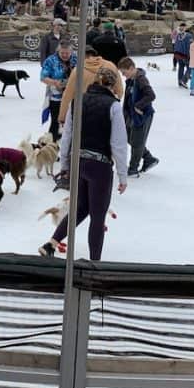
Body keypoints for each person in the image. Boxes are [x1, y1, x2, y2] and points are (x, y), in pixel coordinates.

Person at [38, 68, 128, 261]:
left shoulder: (77, 101)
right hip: (100, 166)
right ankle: (95, 263)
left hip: (78, 162)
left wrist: (65, 164)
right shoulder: (113, 106)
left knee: (80, 208)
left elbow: (67, 135)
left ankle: (51, 244)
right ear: (112, 85)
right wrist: (123, 175)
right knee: (98, 216)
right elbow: (118, 144)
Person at [59, 44, 124, 124]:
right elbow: (119, 91)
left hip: (84, 112)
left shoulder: (78, 70)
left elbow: (68, 95)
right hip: (106, 110)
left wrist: (62, 117)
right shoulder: (110, 66)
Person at [118, 57, 158, 177]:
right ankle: (149, 158)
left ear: (131, 68)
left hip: (142, 116)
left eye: (124, 72)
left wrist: (138, 106)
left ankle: (133, 169)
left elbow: (151, 95)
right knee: (130, 138)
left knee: (137, 142)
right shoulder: (131, 80)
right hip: (131, 116)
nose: (123, 75)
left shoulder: (141, 79)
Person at [41, 39, 76, 142]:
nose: (65, 55)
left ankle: (71, 144)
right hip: (56, 96)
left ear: (71, 52)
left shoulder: (76, 59)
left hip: (72, 96)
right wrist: (55, 82)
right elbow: (43, 77)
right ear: (58, 51)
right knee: (56, 122)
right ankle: (52, 145)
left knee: (72, 122)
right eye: (62, 53)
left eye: (67, 53)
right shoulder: (51, 60)